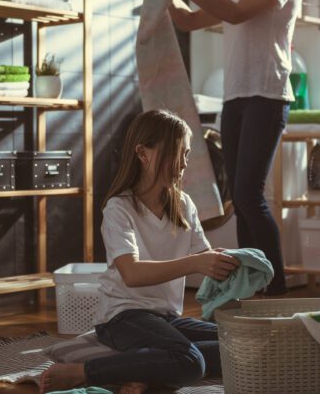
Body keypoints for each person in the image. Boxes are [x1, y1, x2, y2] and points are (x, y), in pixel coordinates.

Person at [144, 0, 300, 296]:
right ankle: (252, 288)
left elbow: (233, 14)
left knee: (248, 193)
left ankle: (276, 289)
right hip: (235, 100)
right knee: (241, 199)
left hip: (266, 96)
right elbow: (193, 20)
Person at [39, 109, 240, 394]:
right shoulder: (119, 209)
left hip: (165, 317)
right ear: (143, 154)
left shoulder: (184, 205)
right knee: (191, 361)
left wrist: (229, 264)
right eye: (177, 153)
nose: (184, 164)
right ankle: (83, 372)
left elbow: (202, 257)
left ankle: (144, 368)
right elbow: (131, 274)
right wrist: (196, 262)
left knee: (239, 342)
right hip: (121, 317)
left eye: (186, 154)